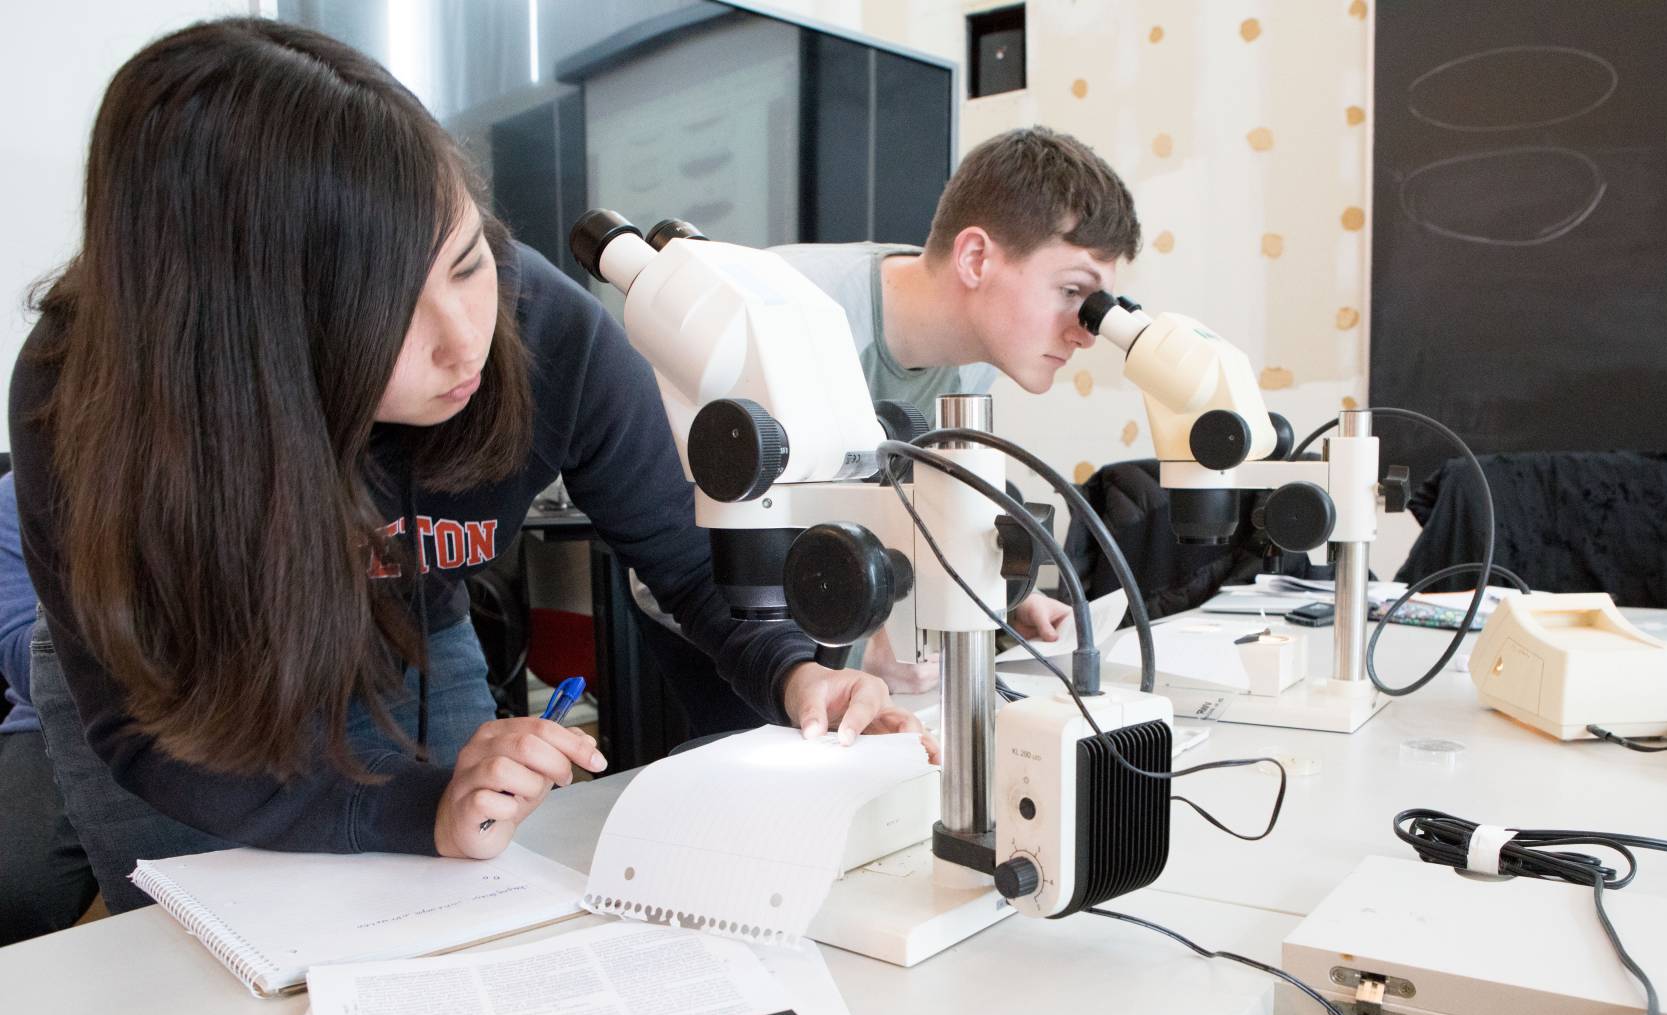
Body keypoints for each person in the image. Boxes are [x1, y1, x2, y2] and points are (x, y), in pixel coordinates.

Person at [8, 18, 922, 918]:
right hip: (186, 679)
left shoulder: (550, 333)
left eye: (467, 263)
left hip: (411, 635)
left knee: (457, 913)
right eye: (387, 315)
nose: (463, 343)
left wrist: (797, 675)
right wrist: (412, 807)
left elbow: (687, 564)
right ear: (253, 334)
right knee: (198, 971)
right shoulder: (88, 389)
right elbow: (140, 731)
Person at [632, 126, 1142, 698]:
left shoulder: (971, 361)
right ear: (975, 258)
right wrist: (855, 645)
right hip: (719, 635)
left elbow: (906, 508)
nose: (1085, 334)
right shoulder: (785, 311)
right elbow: (684, 541)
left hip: (839, 620)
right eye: (1072, 292)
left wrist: (996, 596)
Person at [0, 471, 90, 944]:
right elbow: (21, 656)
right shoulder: (18, 495)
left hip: (239, 710)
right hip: (59, 718)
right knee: (16, 887)